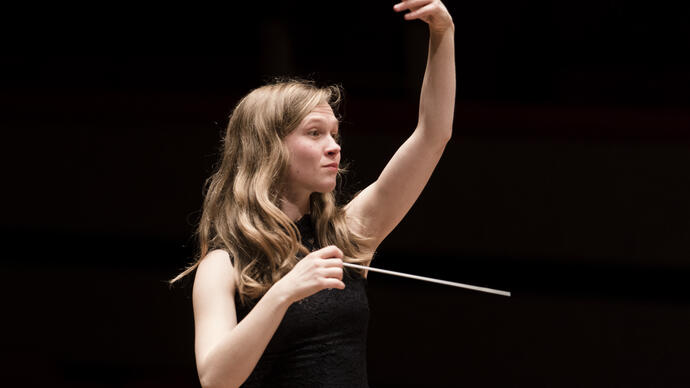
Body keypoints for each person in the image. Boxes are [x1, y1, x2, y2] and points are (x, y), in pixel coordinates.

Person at [171, 1, 455, 386]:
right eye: (315, 133)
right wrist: (283, 292)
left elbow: (432, 136)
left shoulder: (346, 236)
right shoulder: (224, 264)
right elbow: (216, 379)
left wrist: (443, 33)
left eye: (334, 134)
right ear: (269, 147)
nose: (334, 147)